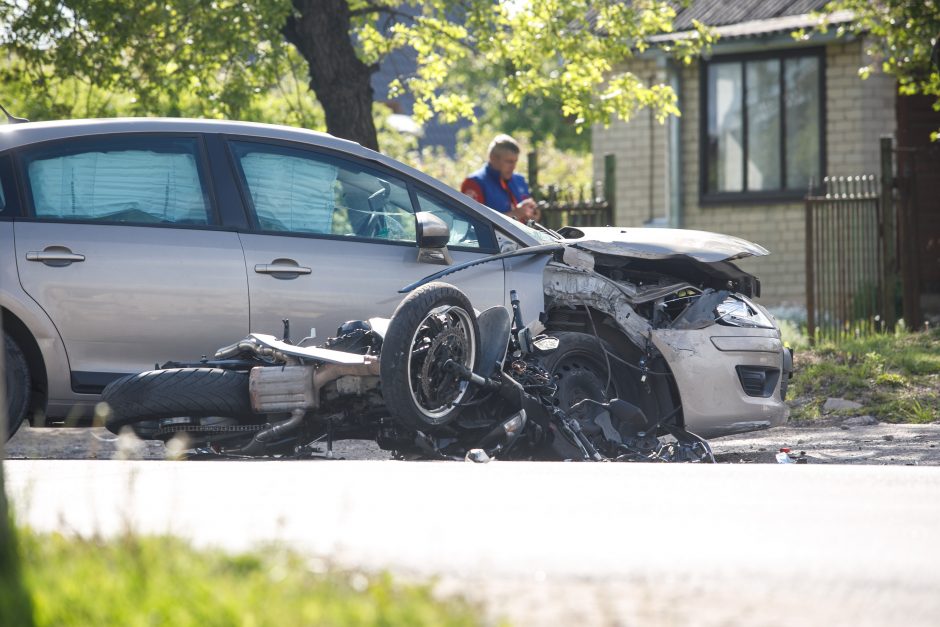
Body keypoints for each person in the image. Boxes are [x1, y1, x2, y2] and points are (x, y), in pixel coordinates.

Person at [461, 134, 537, 223]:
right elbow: (474, 223)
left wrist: (533, 216)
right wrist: (515, 214)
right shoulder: (474, 183)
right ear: (493, 158)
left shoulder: (520, 180)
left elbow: (530, 220)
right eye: (509, 161)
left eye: (515, 161)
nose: (513, 167)